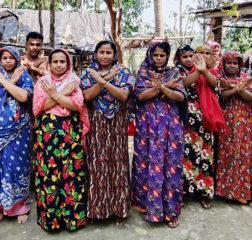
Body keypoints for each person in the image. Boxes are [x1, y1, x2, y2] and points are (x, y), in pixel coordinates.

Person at [33, 48, 89, 231]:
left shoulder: (74, 81)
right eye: (55, 62)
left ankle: (73, 220)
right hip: (47, 135)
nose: (58, 65)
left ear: (68, 63)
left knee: (71, 173)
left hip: (70, 133)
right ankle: (52, 221)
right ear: (49, 64)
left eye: (62, 62)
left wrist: (55, 95)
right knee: (49, 174)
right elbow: (39, 108)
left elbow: (76, 105)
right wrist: (63, 93)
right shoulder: (42, 82)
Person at [132, 41, 186, 228]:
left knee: (170, 164)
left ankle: (171, 211)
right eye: (155, 55)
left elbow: (180, 97)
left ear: (168, 56)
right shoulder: (143, 73)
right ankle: (149, 206)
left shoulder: (175, 73)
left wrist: (162, 88)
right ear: (150, 55)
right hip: (147, 127)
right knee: (147, 164)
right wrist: (161, 88)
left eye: (162, 55)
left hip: (170, 126)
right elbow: (139, 96)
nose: (159, 58)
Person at [80, 40, 134, 225]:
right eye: (101, 52)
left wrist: (103, 80)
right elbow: (87, 96)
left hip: (117, 123)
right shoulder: (88, 73)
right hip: (96, 123)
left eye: (108, 52)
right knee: (97, 164)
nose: (104, 56)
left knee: (118, 163)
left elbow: (123, 95)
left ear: (114, 54)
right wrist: (107, 80)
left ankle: (120, 209)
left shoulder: (124, 71)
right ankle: (97, 210)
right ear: (95, 54)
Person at [0, 46, 33, 224]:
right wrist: (12, 81)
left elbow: (23, 97)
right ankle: (0, 207)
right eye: (4, 58)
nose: (8, 61)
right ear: (0, 59)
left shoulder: (24, 76)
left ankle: (19, 206)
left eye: (12, 57)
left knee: (17, 167)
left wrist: (5, 81)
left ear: (17, 59)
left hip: (20, 130)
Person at [181, 45, 226, 209]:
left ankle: (204, 193)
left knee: (205, 156)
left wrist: (205, 70)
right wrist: (199, 70)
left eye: (208, 53)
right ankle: (185, 192)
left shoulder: (213, 72)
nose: (204, 55)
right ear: (195, 55)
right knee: (187, 156)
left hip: (206, 121)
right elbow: (185, 83)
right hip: (189, 121)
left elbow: (215, 84)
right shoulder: (185, 71)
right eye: (201, 52)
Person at [216, 51, 252, 206]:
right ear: (223, 64)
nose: (232, 66)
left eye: (235, 63)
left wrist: (237, 88)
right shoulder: (220, 79)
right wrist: (238, 89)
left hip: (245, 122)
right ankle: (227, 191)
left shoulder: (246, 78)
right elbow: (222, 96)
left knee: (244, 155)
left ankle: (243, 191)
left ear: (240, 65)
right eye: (229, 63)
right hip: (227, 122)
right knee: (227, 153)